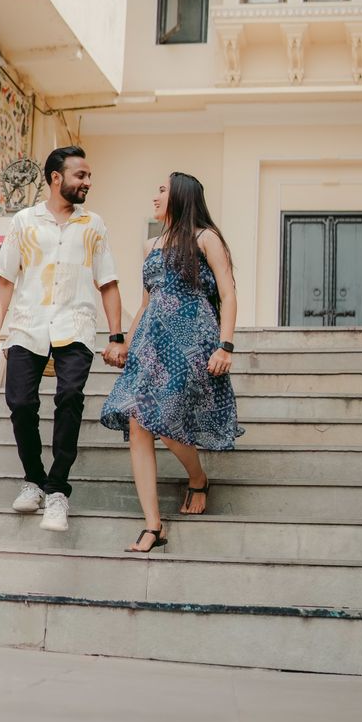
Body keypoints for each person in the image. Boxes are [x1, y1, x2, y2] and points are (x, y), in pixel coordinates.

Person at [0, 146, 124, 532]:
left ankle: (58, 490)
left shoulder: (93, 224)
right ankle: (34, 480)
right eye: (81, 176)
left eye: (89, 176)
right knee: (20, 403)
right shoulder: (24, 221)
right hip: (28, 326)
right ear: (56, 178)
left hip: (75, 326)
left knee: (69, 399)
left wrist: (116, 336)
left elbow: (107, 283)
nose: (88, 183)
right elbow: (5, 278)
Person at [100, 172, 243, 553]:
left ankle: (197, 477)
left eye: (162, 190)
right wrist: (124, 344)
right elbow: (147, 303)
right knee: (138, 421)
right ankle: (153, 525)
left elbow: (228, 293)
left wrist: (225, 346)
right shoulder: (150, 245)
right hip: (151, 343)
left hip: (192, 340)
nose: (155, 196)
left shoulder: (205, 238)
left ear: (181, 196)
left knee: (162, 419)